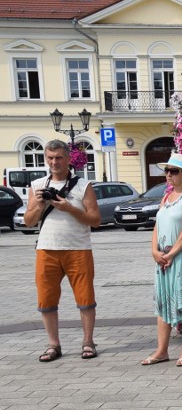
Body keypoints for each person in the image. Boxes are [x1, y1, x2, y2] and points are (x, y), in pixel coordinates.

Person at [23, 139, 101, 362]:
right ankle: (53, 345)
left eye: (58, 157)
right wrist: (39, 206)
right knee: (46, 299)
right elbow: (28, 222)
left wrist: (68, 208)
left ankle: (88, 342)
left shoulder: (82, 186)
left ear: (68, 159)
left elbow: (95, 220)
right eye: (50, 157)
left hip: (78, 248)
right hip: (46, 249)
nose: (54, 162)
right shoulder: (38, 185)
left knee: (85, 298)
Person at [142, 152, 182, 367]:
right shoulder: (166, 197)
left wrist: (170, 254)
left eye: (173, 171)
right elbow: (157, 227)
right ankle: (162, 350)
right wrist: (154, 252)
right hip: (164, 258)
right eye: (166, 170)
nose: (168, 175)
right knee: (163, 301)